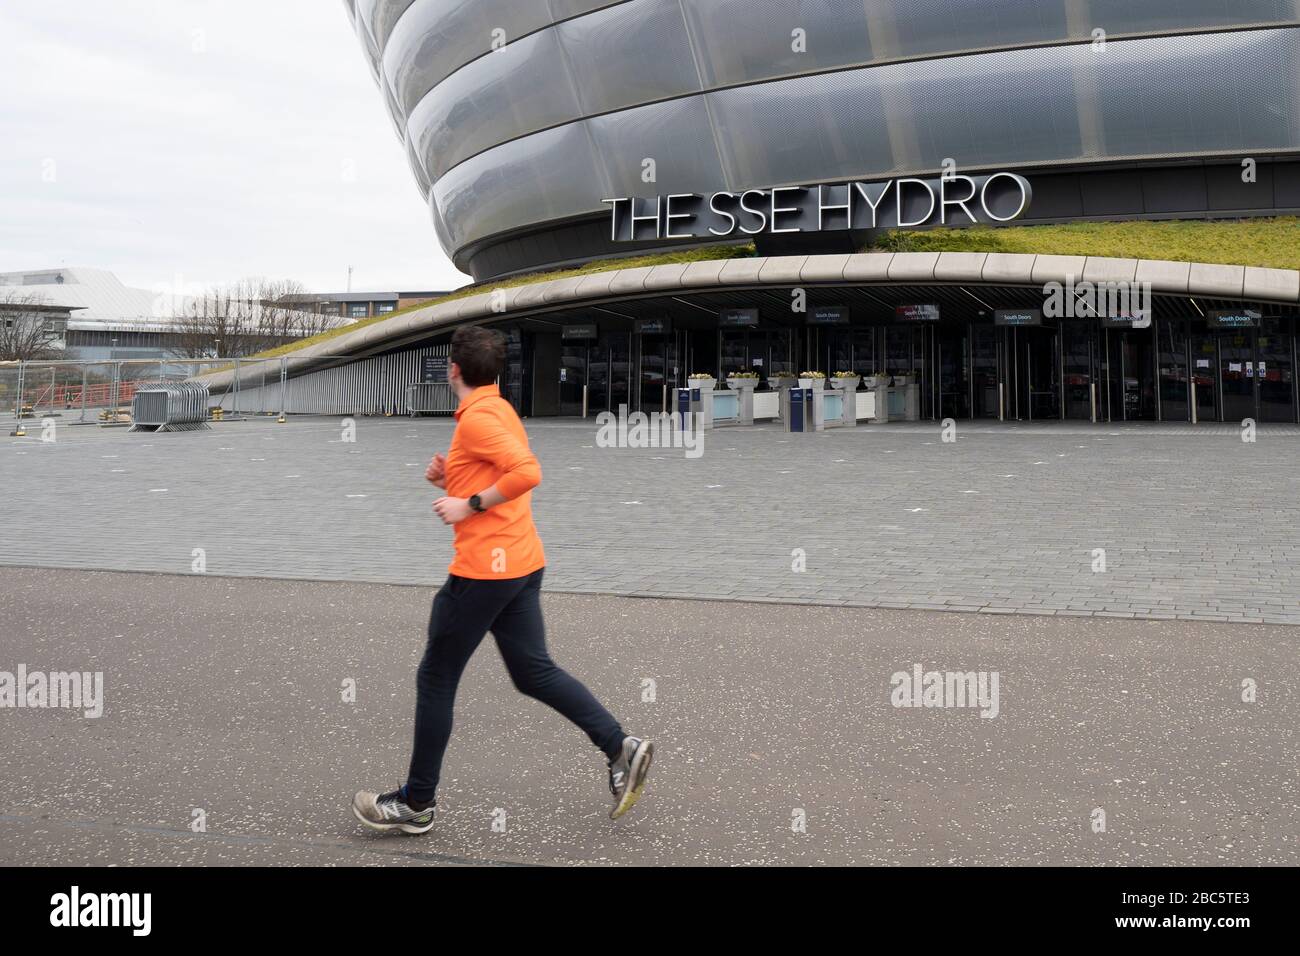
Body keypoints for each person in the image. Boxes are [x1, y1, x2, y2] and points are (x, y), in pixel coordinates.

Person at [353, 326, 653, 834]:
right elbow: (502, 475)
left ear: (452, 370)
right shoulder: (499, 410)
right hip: (521, 563)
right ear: (496, 372)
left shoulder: (477, 421)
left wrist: (465, 502)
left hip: (483, 572)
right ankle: (619, 745)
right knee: (532, 672)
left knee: (436, 677)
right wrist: (453, 479)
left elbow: (526, 472)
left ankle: (415, 804)